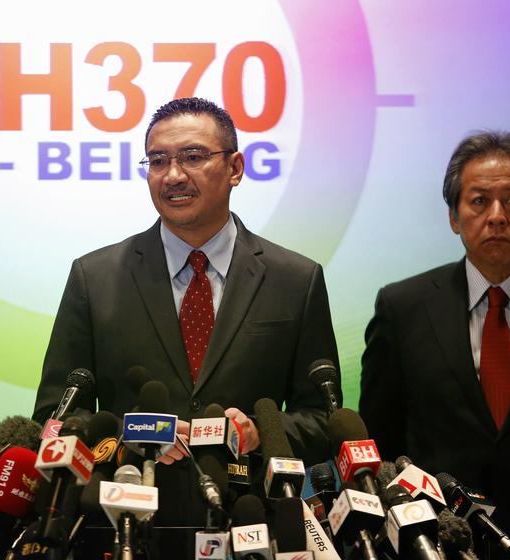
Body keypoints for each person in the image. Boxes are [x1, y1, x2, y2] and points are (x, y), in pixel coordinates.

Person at [33, 98, 340, 522]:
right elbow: (56, 416)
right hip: (123, 522)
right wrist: (130, 435)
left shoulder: (295, 279)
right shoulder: (95, 277)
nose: (174, 175)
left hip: (249, 520)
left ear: (235, 168)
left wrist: (259, 432)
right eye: (158, 161)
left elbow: (325, 420)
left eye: (193, 157)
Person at [359, 131, 510, 558]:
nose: (496, 216)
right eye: (478, 201)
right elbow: (380, 440)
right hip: (443, 542)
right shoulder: (403, 307)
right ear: (454, 218)